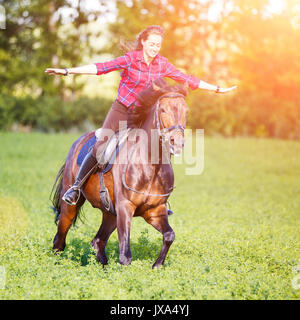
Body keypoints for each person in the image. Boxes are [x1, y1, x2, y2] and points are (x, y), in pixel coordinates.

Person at [45, 25, 236, 206]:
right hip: (122, 110)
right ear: (143, 42)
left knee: (158, 149)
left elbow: (188, 79)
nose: (155, 48)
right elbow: (100, 67)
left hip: (145, 113)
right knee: (101, 147)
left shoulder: (162, 64)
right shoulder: (130, 59)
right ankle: (76, 187)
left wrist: (217, 89)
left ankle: (158, 198)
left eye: (158, 45)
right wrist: (67, 71)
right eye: (152, 44)